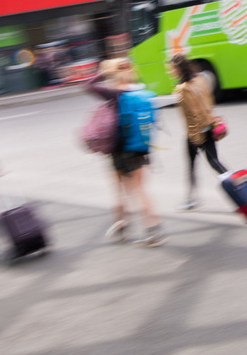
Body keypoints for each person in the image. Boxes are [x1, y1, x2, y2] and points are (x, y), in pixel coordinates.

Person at [86, 59, 166, 246]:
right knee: (141, 191)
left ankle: (127, 230)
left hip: (120, 149)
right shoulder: (140, 89)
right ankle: (151, 230)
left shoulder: (115, 93)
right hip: (141, 148)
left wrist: (104, 73)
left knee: (121, 191)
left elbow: (87, 85)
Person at [168, 54, 228, 210]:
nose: (170, 72)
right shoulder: (200, 80)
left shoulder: (183, 89)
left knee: (195, 165)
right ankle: (235, 183)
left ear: (178, 69)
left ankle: (191, 199)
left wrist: (195, 137)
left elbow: (193, 114)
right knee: (214, 162)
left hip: (196, 131)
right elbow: (209, 101)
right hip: (209, 125)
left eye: (172, 68)